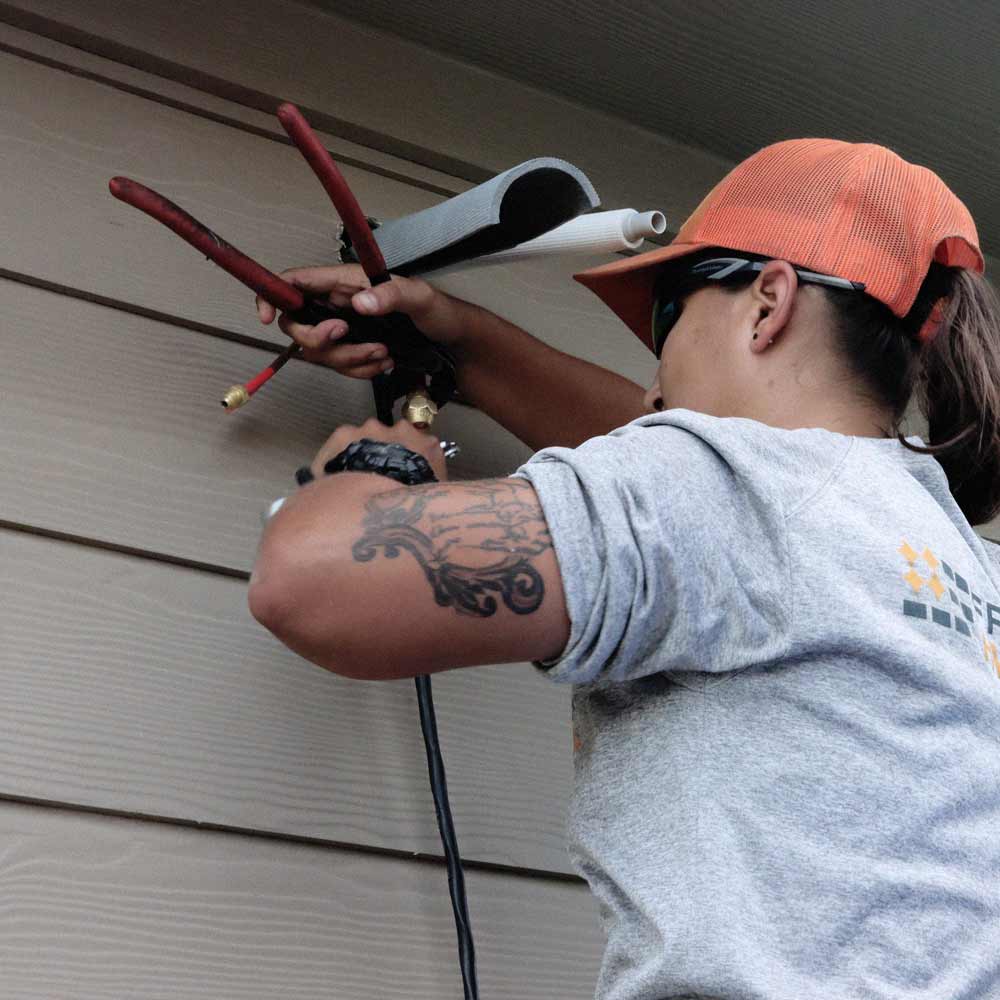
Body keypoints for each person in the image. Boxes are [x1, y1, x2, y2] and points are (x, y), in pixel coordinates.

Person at [248, 139, 1000, 999]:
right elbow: (711, 501)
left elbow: (309, 577)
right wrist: (458, 347)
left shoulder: (732, 500)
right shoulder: (949, 555)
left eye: (666, 321)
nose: (650, 389)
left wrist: (382, 471)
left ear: (767, 302)